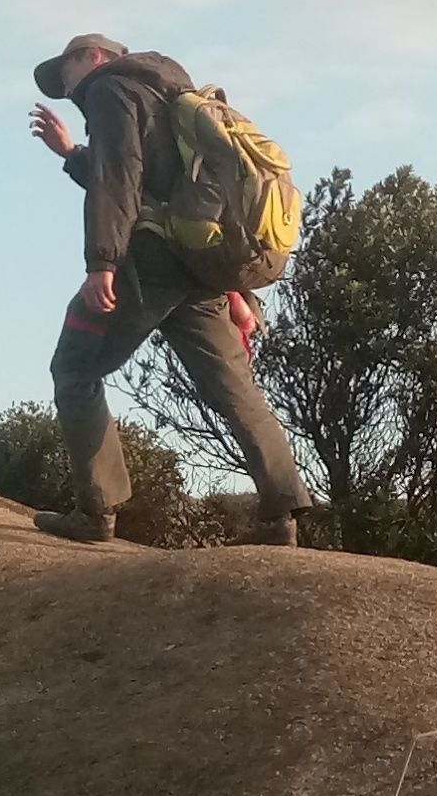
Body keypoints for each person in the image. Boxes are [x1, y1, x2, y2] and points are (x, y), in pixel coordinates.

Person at [28, 34, 314, 544]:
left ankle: (97, 511)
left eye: (65, 70)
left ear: (94, 58)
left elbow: (120, 179)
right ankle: (280, 516)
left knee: (73, 367)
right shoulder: (173, 95)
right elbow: (154, 184)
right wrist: (71, 152)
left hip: (150, 265)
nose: (64, 85)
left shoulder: (110, 88)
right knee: (234, 389)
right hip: (196, 267)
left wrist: (102, 263)